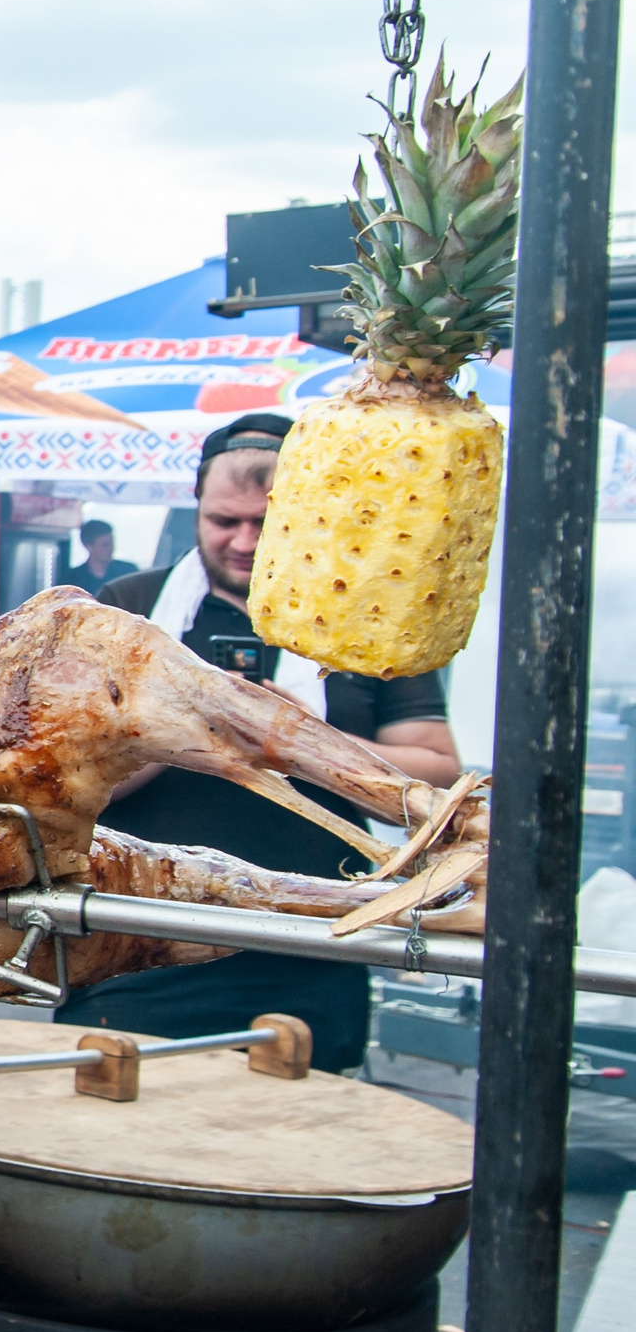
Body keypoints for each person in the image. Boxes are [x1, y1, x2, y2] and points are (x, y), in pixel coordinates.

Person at [67, 412, 462, 1070]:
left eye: (267, 521)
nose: (245, 542)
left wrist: (302, 733)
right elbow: (70, 772)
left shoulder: (367, 615)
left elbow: (438, 770)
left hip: (312, 952)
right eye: (226, 520)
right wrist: (185, 726)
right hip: (136, 948)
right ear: (196, 506)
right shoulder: (125, 608)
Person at [57, 518, 136, 594]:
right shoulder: (71, 580)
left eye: (112, 543)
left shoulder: (128, 572)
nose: (111, 548)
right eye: (105, 545)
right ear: (88, 546)